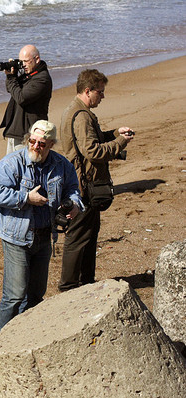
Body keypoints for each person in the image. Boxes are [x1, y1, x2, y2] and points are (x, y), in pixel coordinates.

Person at [0, 120, 82, 337]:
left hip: (44, 236)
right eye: (33, 141)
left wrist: (75, 205)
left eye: (42, 144)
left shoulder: (61, 165)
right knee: (14, 294)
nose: (36, 146)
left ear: (51, 145)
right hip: (16, 237)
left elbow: (73, 189)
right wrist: (25, 198)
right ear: (28, 138)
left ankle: (24, 337)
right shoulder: (12, 163)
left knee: (37, 294)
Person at [58, 69, 134, 292]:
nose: (102, 96)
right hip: (84, 187)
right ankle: (70, 286)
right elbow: (92, 151)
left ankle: (86, 282)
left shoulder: (80, 111)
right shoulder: (81, 116)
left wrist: (113, 133)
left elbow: (91, 142)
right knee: (79, 237)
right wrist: (120, 143)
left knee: (89, 236)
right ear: (87, 90)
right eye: (100, 92)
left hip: (86, 183)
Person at [0, 44, 53, 154]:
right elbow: (11, 89)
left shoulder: (42, 79)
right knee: (10, 168)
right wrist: (11, 74)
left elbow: (21, 98)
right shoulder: (29, 75)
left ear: (37, 59)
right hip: (16, 130)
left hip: (27, 134)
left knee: (23, 168)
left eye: (26, 61)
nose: (23, 65)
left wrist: (11, 78)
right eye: (21, 61)